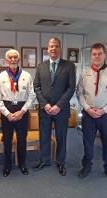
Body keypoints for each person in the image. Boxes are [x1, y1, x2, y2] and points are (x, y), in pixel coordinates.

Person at [76, 43, 107, 184]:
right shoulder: (85, 74)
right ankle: (87, 166)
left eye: (99, 53)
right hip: (89, 114)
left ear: (105, 55)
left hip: (106, 115)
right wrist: (88, 108)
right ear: (91, 56)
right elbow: (80, 93)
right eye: (94, 54)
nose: (96, 56)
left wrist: (103, 110)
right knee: (87, 142)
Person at [33, 37, 76, 176]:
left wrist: (58, 105)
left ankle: (60, 162)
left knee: (61, 137)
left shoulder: (69, 65)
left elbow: (71, 88)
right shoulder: (41, 66)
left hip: (61, 110)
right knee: (44, 136)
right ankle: (44, 160)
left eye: (56, 46)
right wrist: (44, 104)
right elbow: (36, 86)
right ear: (47, 48)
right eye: (51, 46)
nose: (53, 48)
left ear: (60, 48)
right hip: (44, 110)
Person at [0, 49, 36, 177]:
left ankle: (22, 164)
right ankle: (7, 166)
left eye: (15, 57)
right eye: (10, 58)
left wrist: (22, 111)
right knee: (7, 140)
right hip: (7, 110)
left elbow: (32, 95)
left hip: (22, 110)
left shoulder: (27, 75)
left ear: (18, 59)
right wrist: (7, 113)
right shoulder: (1, 76)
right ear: (7, 60)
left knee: (22, 139)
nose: (13, 60)